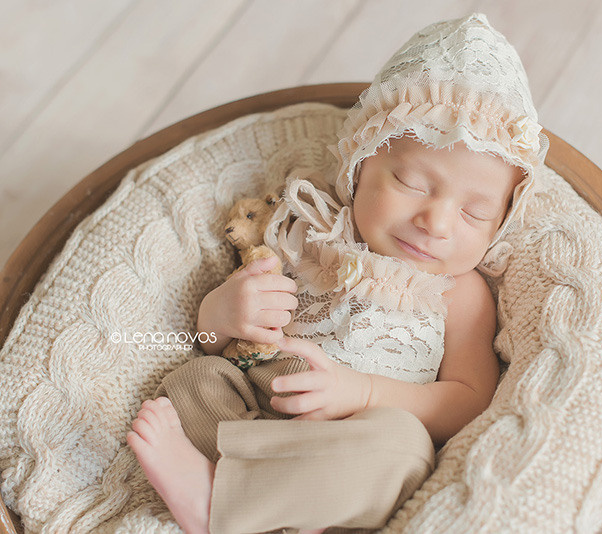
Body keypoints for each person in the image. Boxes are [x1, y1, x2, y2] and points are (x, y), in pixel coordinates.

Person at [127, 12, 548, 534]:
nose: (435, 221)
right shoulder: (306, 233)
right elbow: (209, 342)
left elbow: (468, 400)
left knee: (404, 450)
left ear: (500, 225)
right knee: (194, 380)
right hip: (261, 409)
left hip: (358, 436)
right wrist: (224, 312)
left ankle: (216, 503)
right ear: (358, 165)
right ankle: (263, 504)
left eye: (474, 214)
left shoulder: (460, 293)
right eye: (412, 183)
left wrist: (367, 394)